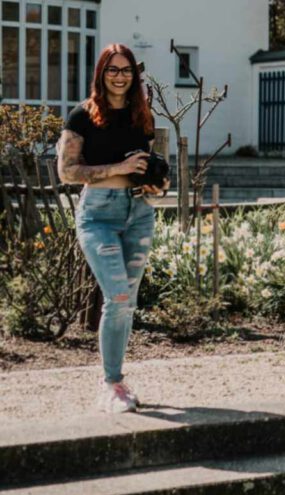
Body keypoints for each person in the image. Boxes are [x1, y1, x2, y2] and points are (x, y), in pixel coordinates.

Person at [57, 43, 168, 413]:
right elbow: (67, 171)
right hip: (98, 215)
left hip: (138, 212)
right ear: (100, 73)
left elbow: (154, 168)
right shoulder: (82, 116)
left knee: (126, 304)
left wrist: (157, 183)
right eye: (112, 69)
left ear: (134, 76)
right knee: (117, 297)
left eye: (126, 70)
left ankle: (116, 380)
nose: (119, 76)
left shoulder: (143, 116)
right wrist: (117, 169)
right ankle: (111, 384)